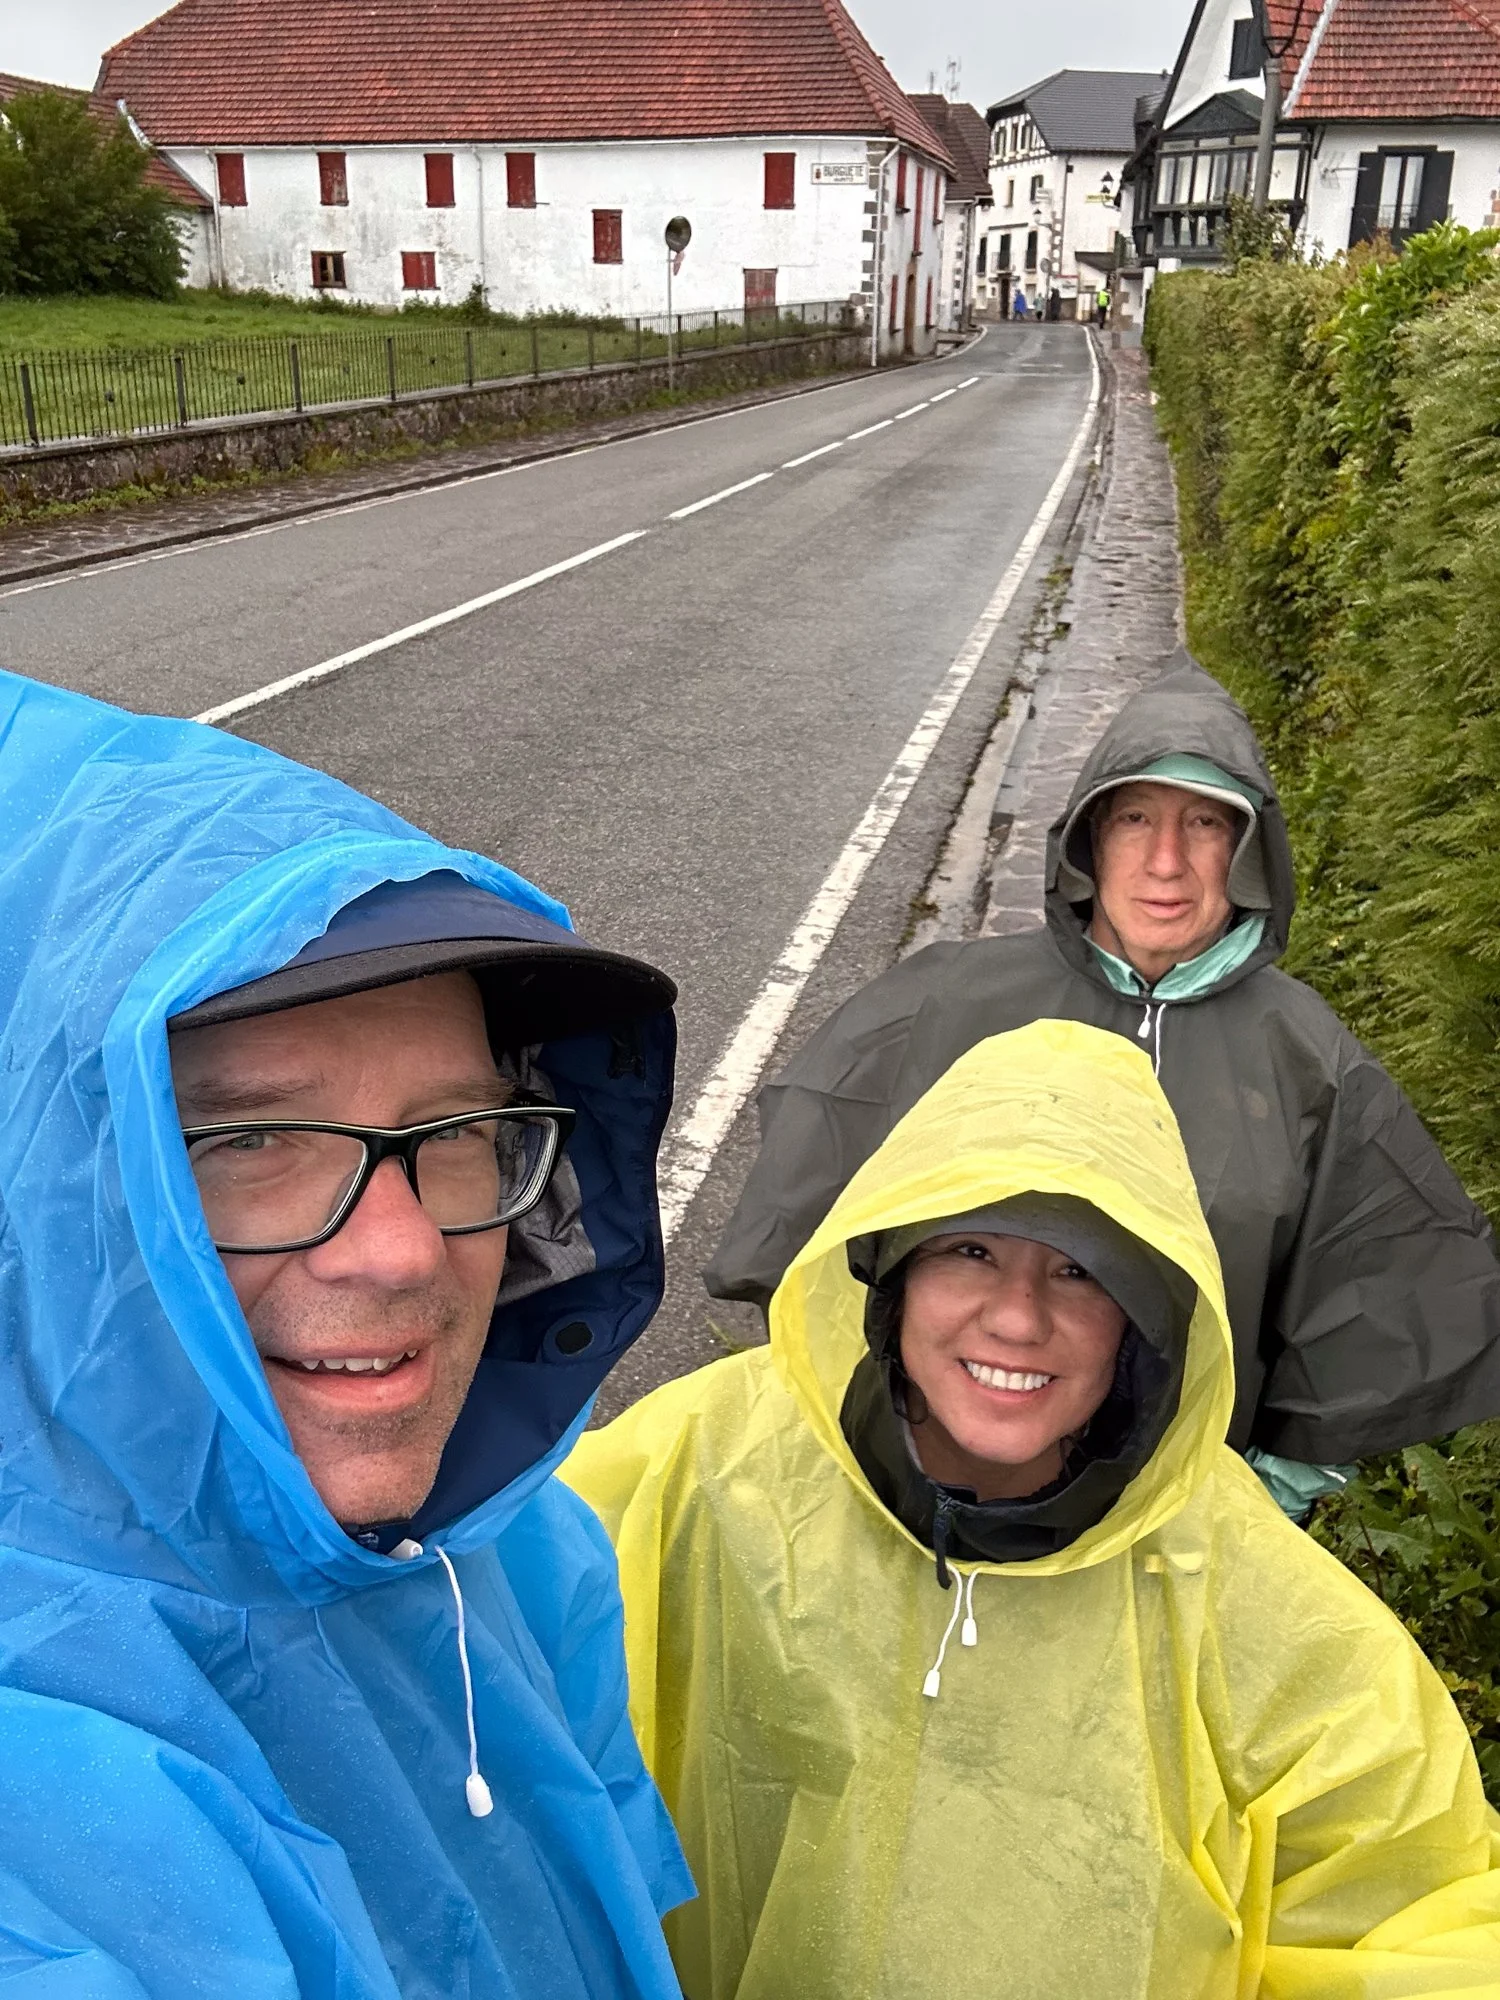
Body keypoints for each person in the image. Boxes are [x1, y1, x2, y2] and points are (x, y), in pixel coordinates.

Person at [0, 669, 691, 1997]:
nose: (403, 1247)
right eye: (253, 1139)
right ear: (55, 1198)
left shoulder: (513, 1550)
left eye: (455, 1133)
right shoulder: (46, 1811)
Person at [566, 1020, 1500, 1999]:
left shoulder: (1245, 1595)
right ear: (893, 1270)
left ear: (1143, 1319)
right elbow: (490, 1654)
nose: (1016, 1316)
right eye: (969, 1248)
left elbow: (1415, 1909)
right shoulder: (709, 1460)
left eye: (1079, 1269)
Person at [705, 651, 1500, 1514]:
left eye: (1205, 825)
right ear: (1089, 839)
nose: (1165, 862)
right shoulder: (943, 1002)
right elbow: (814, 1206)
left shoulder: (1307, 1055)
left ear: (1247, 853)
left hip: (1176, 1510)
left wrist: (1274, 1487)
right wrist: (855, 1425)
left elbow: (1376, 1266)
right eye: (1133, 818)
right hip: (923, 1484)